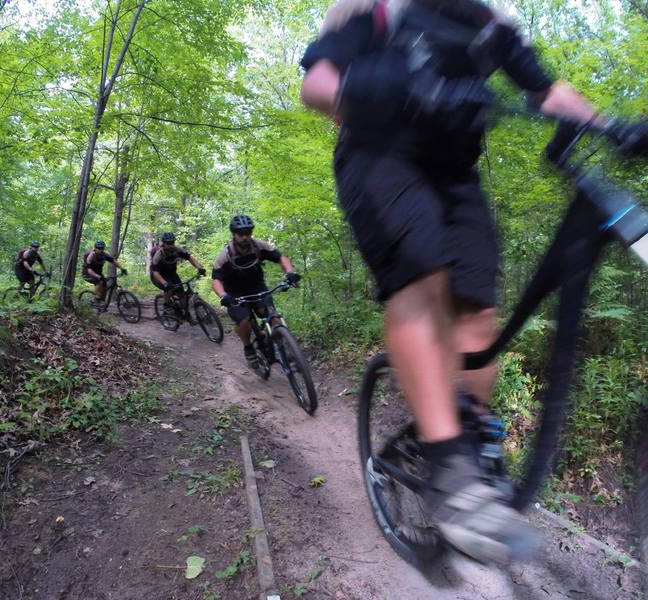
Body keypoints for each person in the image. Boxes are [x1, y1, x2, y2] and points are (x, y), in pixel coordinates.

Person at [298, 0, 645, 564]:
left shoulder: (494, 26)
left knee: (479, 306)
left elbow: (548, 92)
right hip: (379, 156)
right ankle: (448, 468)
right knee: (422, 272)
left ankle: (472, 433)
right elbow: (318, 84)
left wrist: (610, 126)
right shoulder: (375, 9)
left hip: (456, 174)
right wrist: (382, 85)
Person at [211, 215, 300, 368]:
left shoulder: (259, 246)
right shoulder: (225, 256)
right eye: (241, 234)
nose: (245, 237)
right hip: (234, 293)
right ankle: (248, 348)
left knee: (273, 317)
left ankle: (285, 348)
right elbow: (216, 281)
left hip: (257, 288)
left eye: (248, 232)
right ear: (233, 234)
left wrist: (290, 272)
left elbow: (281, 258)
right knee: (244, 321)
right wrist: (223, 295)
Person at [150, 232, 206, 304]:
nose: (170, 245)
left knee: (181, 293)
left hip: (172, 274)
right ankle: (167, 309)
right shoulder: (159, 254)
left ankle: (181, 311)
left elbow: (190, 258)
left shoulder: (178, 250)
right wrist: (164, 283)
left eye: (172, 243)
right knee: (169, 289)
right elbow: (155, 272)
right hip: (158, 276)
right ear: (163, 244)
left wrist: (199, 268)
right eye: (168, 243)